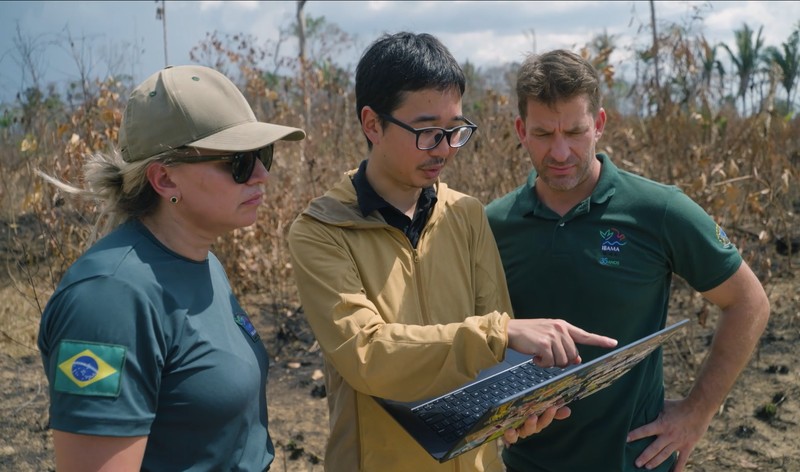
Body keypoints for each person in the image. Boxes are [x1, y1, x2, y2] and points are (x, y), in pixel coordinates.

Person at [286, 32, 617, 472]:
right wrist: (498, 335)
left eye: (455, 130)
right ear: (372, 124)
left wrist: (517, 409)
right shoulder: (322, 231)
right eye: (427, 132)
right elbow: (367, 354)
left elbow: (497, 359)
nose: (444, 148)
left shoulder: (465, 214)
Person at [485, 49, 771, 472]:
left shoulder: (659, 211)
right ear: (521, 131)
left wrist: (698, 411)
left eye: (576, 132)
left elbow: (749, 302)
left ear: (599, 124)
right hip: (526, 462)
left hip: (632, 461)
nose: (560, 152)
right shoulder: (493, 225)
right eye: (544, 134)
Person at [37, 64, 305, 471]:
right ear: (164, 180)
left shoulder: (204, 262)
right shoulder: (109, 299)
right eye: (239, 162)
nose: (262, 175)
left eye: (262, 155)